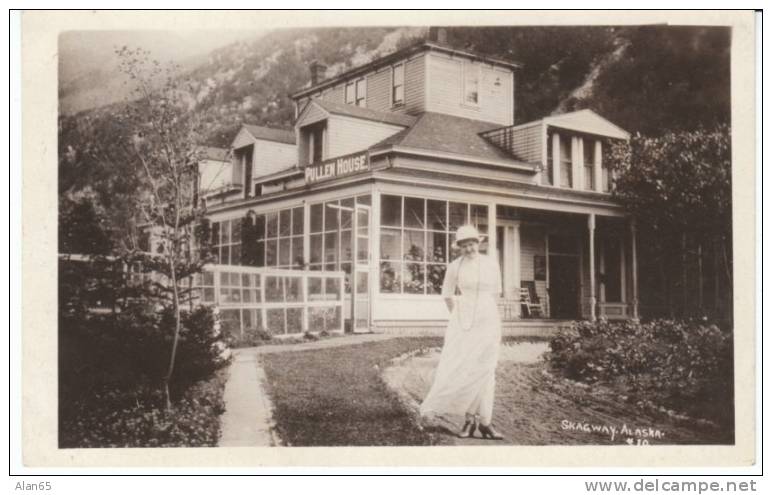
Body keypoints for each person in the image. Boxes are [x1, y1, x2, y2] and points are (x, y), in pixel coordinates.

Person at [419, 224, 505, 440]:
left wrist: (490, 319)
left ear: (479, 243)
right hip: (464, 320)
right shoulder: (455, 267)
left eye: (472, 244)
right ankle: (470, 421)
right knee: (465, 367)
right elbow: (447, 294)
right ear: (458, 248)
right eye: (464, 246)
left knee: (486, 368)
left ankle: (484, 421)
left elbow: (495, 294)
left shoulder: (491, 264)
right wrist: (457, 316)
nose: (469, 249)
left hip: (488, 319)